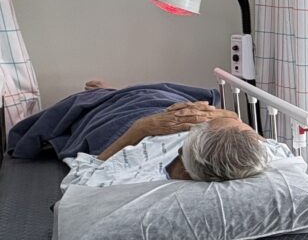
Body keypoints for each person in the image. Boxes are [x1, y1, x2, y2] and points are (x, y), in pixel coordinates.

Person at [8, 80, 289, 188]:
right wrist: (225, 116)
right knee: (151, 93)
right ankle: (112, 90)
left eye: (207, 123)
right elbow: (264, 142)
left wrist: (141, 129)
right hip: (159, 102)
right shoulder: (258, 153)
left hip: (120, 119)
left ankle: (105, 93)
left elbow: (80, 180)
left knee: (96, 101)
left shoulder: (138, 169)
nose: (210, 117)